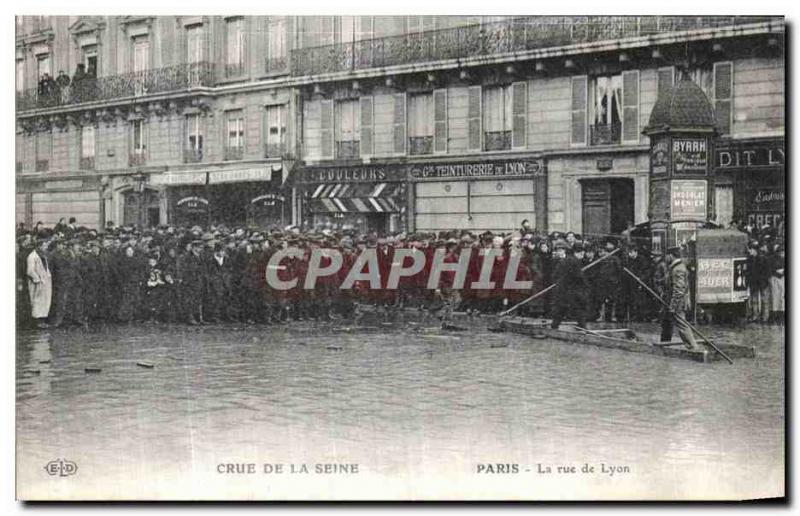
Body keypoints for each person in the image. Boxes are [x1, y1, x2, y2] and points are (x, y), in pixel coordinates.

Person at [661, 246, 701, 351]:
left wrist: (673, 306)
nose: (665, 258)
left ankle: (693, 348)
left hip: (677, 302)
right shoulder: (676, 267)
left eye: (666, 256)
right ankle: (664, 344)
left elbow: (678, 290)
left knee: (682, 324)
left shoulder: (678, 269)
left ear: (671, 256)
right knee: (666, 322)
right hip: (671, 300)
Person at [549, 240, 589, 329]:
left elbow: (555, 275)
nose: (582, 255)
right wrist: (585, 285)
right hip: (571, 290)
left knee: (561, 309)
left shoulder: (565, 260)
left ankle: (554, 326)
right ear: (578, 252)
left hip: (563, 289)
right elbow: (579, 276)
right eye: (581, 253)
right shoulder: (574, 261)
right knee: (578, 308)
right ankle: (582, 327)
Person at [26, 237, 52, 328]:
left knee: (44, 302)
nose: (46, 247)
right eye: (44, 245)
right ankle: (37, 322)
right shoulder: (32, 256)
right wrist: (38, 279)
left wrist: (47, 276)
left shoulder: (43, 256)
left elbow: (46, 268)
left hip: (45, 282)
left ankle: (42, 320)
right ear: (39, 246)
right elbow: (30, 270)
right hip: (37, 283)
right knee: (37, 302)